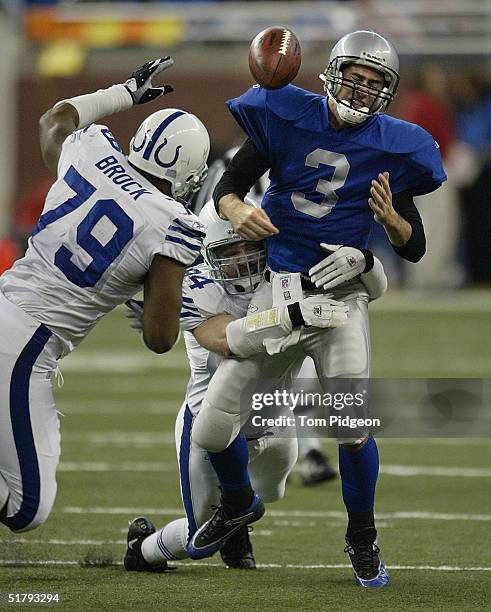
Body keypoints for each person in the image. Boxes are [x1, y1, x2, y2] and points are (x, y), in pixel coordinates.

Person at [189, 30, 446, 587]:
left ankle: (362, 537)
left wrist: (389, 223)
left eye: (376, 82)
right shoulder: (288, 117)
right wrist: (234, 209)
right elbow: (230, 183)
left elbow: (414, 244)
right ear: (331, 73)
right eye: (356, 75)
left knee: (350, 425)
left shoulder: (392, 147)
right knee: (211, 430)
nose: (363, 88)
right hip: (278, 296)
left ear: (388, 92)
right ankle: (237, 503)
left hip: (340, 302)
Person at [0, 57, 210, 533]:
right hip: (26, 342)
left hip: (7, 305)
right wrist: (174, 300)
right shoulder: (172, 224)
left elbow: (55, 118)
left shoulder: (93, 150)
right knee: (26, 508)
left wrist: (123, 94)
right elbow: (159, 338)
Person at [123, 201, 387, 572]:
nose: (242, 258)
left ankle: (237, 518)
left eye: (249, 246)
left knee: (272, 494)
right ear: (208, 255)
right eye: (229, 252)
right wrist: (289, 316)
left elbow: (363, 290)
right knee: (199, 541)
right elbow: (228, 340)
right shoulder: (198, 288)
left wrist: (366, 262)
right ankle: (144, 547)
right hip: (213, 430)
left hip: (274, 419)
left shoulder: (283, 274)